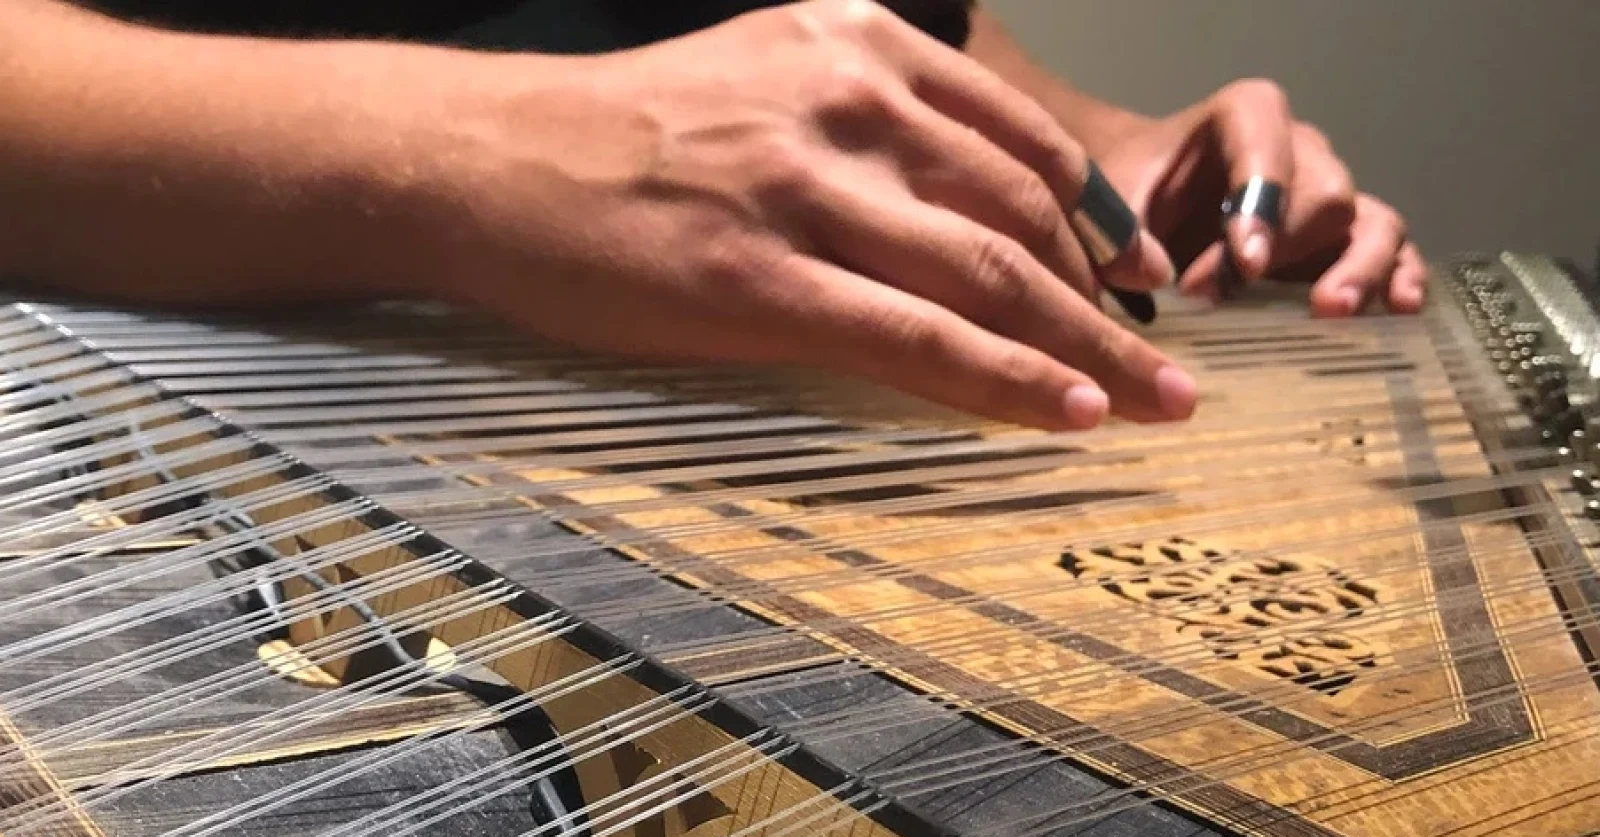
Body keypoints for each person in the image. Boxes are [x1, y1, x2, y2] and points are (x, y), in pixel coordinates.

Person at [0, 0, 1427, 432]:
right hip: (153, 424)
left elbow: (898, 27)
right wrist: (473, 150)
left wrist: (1099, 158)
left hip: (744, 459)